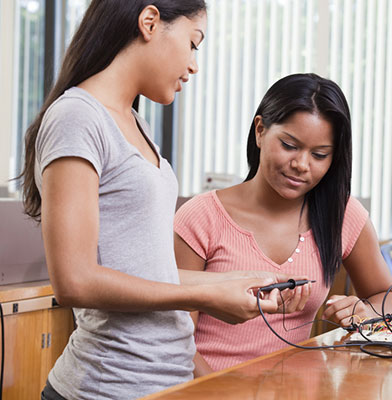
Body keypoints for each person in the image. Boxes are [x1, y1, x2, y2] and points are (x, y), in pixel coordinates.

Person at [19, 2, 299, 399]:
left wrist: (237, 282)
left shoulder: (137, 124)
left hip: (166, 382)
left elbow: (144, 269)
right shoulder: (77, 118)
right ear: (150, 22)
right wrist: (205, 296)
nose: (193, 65)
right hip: (106, 388)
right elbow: (75, 280)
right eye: (193, 43)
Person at [174, 73, 392, 373]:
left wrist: (365, 310)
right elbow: (177, 340)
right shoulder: (201, 216)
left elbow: (388, 296)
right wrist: (220, 392)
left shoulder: (341, 214)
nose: (302, 165)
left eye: (320, 155)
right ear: (260, 130)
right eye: (290, 145)